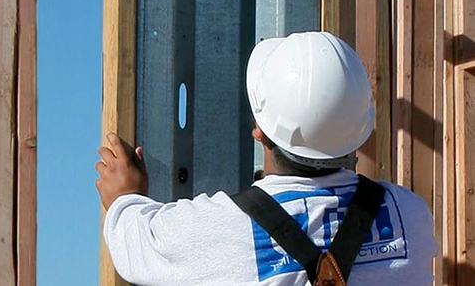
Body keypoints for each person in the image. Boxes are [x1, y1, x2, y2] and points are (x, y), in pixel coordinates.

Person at [96, 31, 437, 286]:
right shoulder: (410, 215)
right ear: (362, 129)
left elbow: (139, 244)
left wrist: (125, 198)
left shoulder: (225, 228)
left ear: (259, 129)